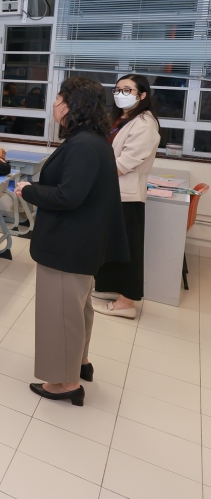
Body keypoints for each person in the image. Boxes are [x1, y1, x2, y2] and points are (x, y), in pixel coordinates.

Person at [14, 77, 127, 406]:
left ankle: (65, 383)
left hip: (68, 244)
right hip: (81, 242)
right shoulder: (93, 140)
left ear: (71, 106)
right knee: (78, 309)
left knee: (61, 314)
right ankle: (79, 362)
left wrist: (29, 190)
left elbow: (68, 196)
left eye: (59, 98)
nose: (54, 104)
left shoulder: (82, 145)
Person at [92, 74, 160, 319]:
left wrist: (91, 173)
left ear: (142, 95)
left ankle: (127, 303)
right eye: (118, 89)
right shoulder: (121, 119)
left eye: (128, 90)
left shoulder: (145, 123)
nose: (121, 94)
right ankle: (110, 287)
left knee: (128, 248)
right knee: (111, 245)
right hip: (113, 193)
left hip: (127, 195)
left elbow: (123, 164)